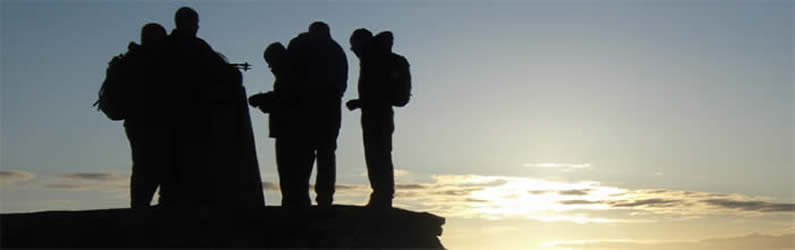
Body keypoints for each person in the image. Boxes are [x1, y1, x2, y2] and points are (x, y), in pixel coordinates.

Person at [162, 6, 264, 207]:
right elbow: (225, 76)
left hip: (180, 120)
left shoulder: (169, 47)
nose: (197, 26)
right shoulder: (192, 47)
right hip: (190, 120)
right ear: (185, 22)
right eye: (194, 22)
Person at [276, 21, 348, 209]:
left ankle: (303, 197)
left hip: (308, 109)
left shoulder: (302, 46)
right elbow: (341, 84)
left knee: (307, 153)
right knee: (324, 153)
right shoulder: (336, 50)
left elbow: (291, 77)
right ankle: (322, 198)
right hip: (327, 110)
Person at [347, 30, 411, 208]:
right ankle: (382, 194)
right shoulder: (377, 58)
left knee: (378, 153)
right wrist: (361, 103)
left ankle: (382, 195)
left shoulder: (373, 59)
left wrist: (363, 102)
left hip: (378, 114)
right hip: (375, 112)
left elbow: (378, 91)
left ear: (362, 43)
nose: (353, 51)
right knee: (378, 153)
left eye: (354, 46)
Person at [118, 23, 169, 208]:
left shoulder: (130, 59)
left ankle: (139, 207)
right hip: (154, 123)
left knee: (142, 166)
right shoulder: (157, 60)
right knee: (161, 164)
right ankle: (151, 207)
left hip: (136, 124)